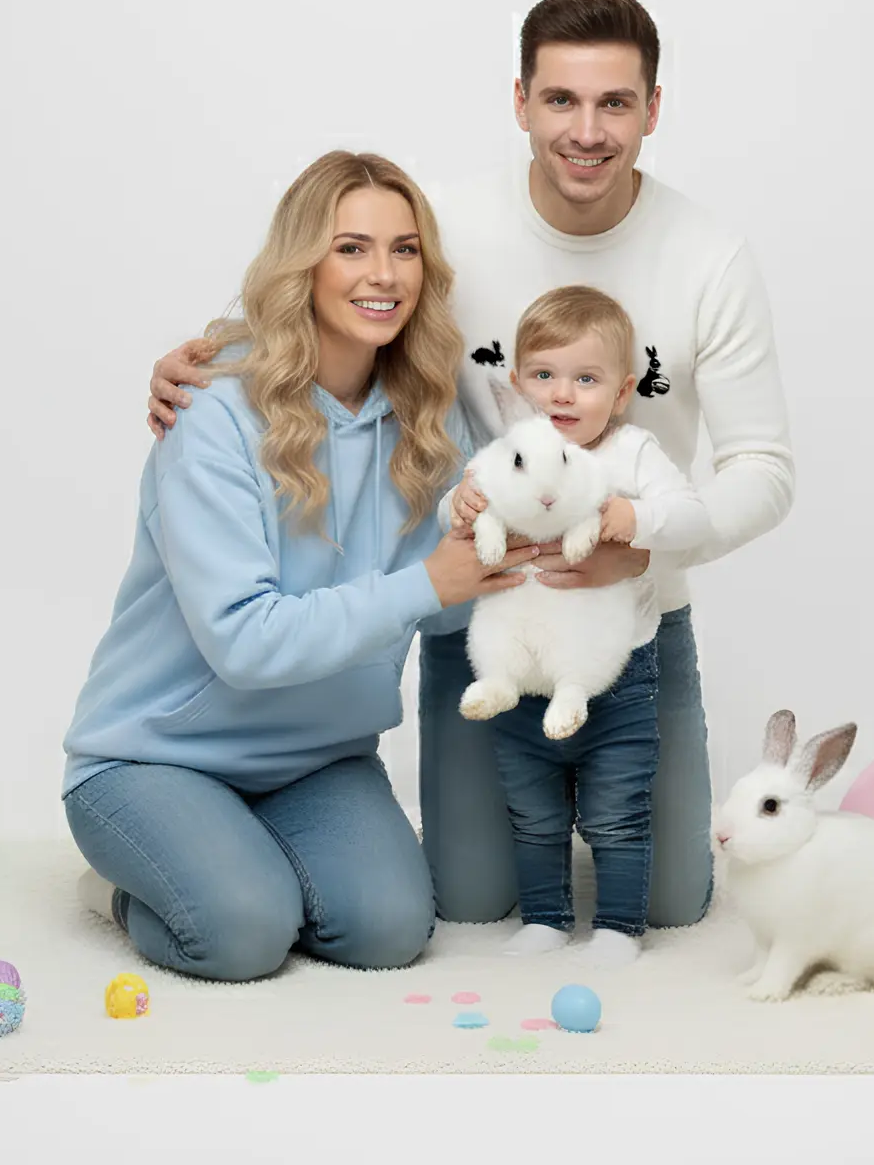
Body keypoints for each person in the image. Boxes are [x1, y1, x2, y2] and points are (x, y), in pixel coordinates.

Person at [146, 0, 795, 931]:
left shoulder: (709, 257)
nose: (587, 131)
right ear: (521, 102)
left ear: (653, 110)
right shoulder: (446, 228)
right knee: (471, 902)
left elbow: (763, 469)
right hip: (484, 612)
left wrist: (643, 546)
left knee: (672, 905)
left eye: (615, 103)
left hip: (634, 620)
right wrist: (211, 357)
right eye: (561, 99)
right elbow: (339, 292)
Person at [62, 150, 540, 982]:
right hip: (156, 755)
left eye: (404, 249)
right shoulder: (212, 410)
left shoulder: (431, 421)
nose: (383, 274)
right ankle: (126, 887)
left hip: (317, 759)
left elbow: (459, 601)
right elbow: (244, 643)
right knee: (242, 934)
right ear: (304, 264)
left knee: (391, 930)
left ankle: (240, 863)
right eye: (351, 248)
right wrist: (428, 583)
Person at [441, 285, 708, 967]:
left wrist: (634, 519)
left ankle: (618, 926)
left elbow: (691, 516)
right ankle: (546, 919)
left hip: (618, 675)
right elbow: (457, 506)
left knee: (618, 809)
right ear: (516, 387)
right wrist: (461, 504)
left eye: (585, 380)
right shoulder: (507, 453)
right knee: (532, 811)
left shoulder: (633, 453)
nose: (562, 395)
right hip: (525, 671)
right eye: (543, 376)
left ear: (621, 393)